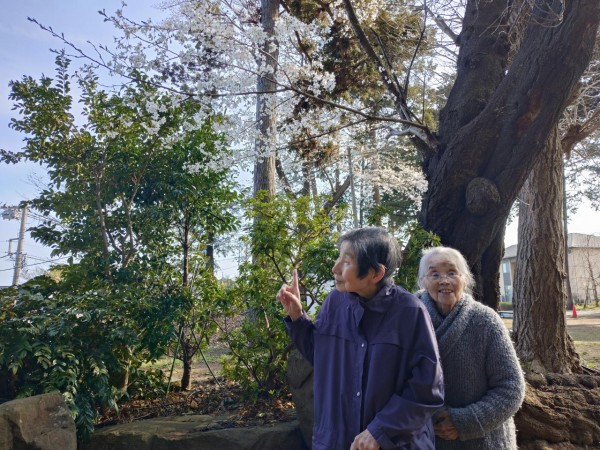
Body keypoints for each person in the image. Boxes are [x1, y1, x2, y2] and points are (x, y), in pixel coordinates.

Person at [277, 227, 444, 450]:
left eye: (346, 261)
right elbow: (322, 357)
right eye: (339, 257)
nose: (335, 268)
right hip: (336, 441)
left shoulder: (410, 312)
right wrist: (297, 317)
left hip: (393, 444)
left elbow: (427, 389)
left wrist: (381, 429)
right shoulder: (335, 303)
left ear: (376, 274)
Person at [416, 246, 525, 450]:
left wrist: (463, 422)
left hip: (484, 441)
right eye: (434, 274)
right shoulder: (409, 319)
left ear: (465, 279)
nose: (444, 280)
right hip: (425, 439)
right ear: (423, 281)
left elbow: (511, 387)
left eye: (452, 272)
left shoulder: (486, 321)